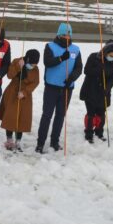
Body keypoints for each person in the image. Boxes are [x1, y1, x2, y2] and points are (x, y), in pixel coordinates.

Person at [36, 23, 83, 153]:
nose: (66, 37)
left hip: (67, 88)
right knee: (47, 115)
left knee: (60, 116)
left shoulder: (76, 49)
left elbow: (79, 67)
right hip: (51, 87)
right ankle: (40, 143)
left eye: (68, 35)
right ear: (58, 35)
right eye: (63, 35)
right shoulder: (50, 46)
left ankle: (54, 142)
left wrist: (72, 78)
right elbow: (47, 62)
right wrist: (61, 58)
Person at [80, 40, 113, 143]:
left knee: (101, 114)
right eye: (110, 55)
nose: (112, 57)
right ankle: (88, 133)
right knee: (91, 114)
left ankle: (99, 132)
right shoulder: (93, 57)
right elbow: (86, 71)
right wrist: (99, 68)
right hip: (90, 90)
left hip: (103, 92)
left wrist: (107, 88)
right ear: (106, 52)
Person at [0, 49, 40, 152]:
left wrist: (24, 92)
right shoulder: (17, 61)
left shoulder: (35, 69)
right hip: (12, 92)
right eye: (32, 64)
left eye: (35, 64)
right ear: (27, 59)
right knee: (10, 116)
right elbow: (9, 75)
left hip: (25, 96)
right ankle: (9, 140)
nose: (33, 66)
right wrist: (18, 67)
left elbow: (35, 82)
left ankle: (18, 141)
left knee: (22, 118)